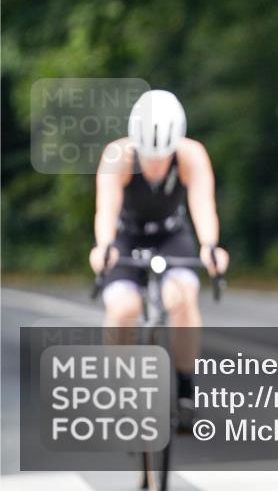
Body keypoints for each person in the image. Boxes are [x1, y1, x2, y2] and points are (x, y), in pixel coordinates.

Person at [89, 89, 230, 430]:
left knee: (181, 297)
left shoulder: (191, 155)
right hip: (127, 234)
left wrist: (210, 246)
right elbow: (105, 208)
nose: (154, 164)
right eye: (148, 156)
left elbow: (202, 205)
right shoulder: (117, 156)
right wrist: (104, 246)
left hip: (171, 235)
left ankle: (184, 386)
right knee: (123, 308)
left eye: (162, 156)